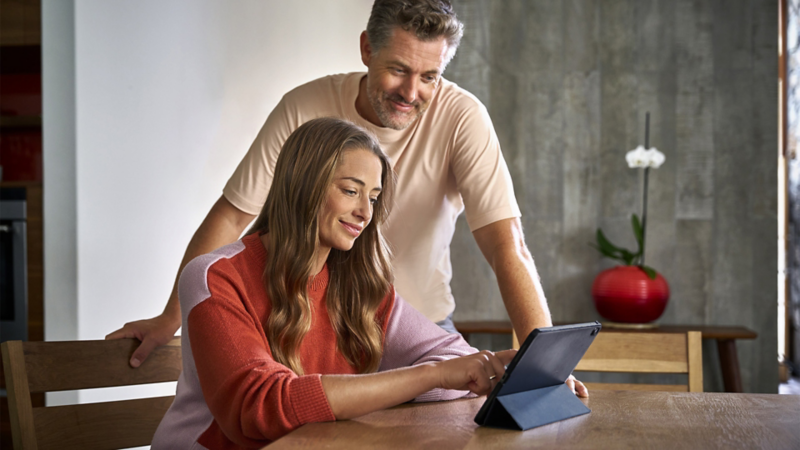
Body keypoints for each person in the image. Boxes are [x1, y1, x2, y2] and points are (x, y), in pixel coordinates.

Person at [108, 0, 586, 394]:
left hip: (416, 327)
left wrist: (541, 369)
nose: (412, 91)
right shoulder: (304, 106)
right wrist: (171, 317)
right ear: (366, 49)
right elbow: (233, 216)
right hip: (315, 330)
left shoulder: (462, 118)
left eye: (429, 76)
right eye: (398, 69)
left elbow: (507, 246)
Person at [151, 117, 515, 448]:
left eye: (373, 197)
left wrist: (493, 370)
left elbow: (453, 357)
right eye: (351, 191)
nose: (366, 213)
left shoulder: (360, 286)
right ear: (303, 185)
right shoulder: (214, 277)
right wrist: (433, 375)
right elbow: (261, 407)